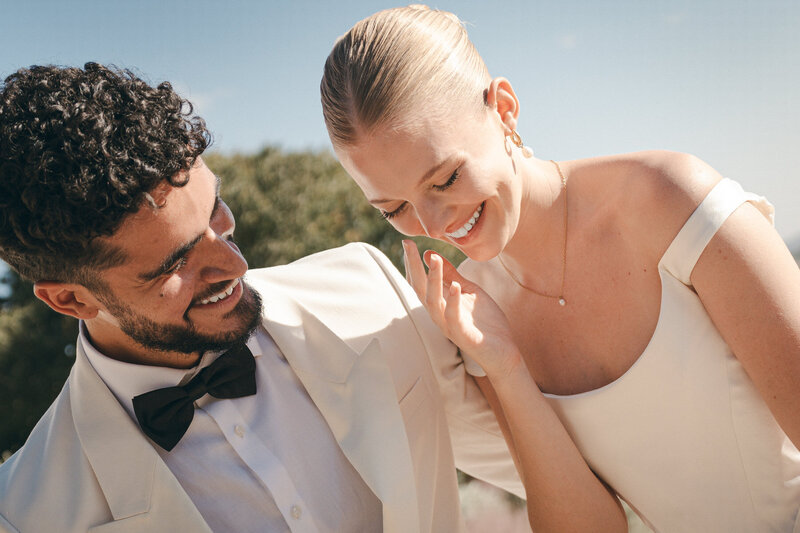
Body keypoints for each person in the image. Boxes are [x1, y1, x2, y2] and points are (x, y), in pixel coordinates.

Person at [321, 5, 800, 532]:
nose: (432, 222)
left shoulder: (670, 202)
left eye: (446, 179)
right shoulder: (476, 319)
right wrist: (504, 367)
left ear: (503, 109)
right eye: (393, 209)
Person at [0, 63, 523, 533]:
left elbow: (524, 462)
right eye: (174, 263)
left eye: (216, 211)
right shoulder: (27, 513)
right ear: (70, 299)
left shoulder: (366, 288)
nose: (235, 265)